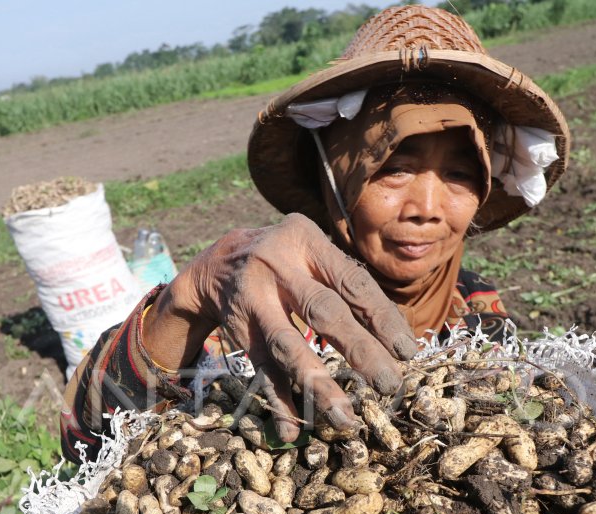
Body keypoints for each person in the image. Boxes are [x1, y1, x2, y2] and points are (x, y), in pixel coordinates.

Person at [60, 5, 570, 464]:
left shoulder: (474, 303)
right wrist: (188, 299)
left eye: (459, 175)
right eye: (394, 167)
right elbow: (87, 443)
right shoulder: (254, 315)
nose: (428, 210)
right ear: (336, 176)